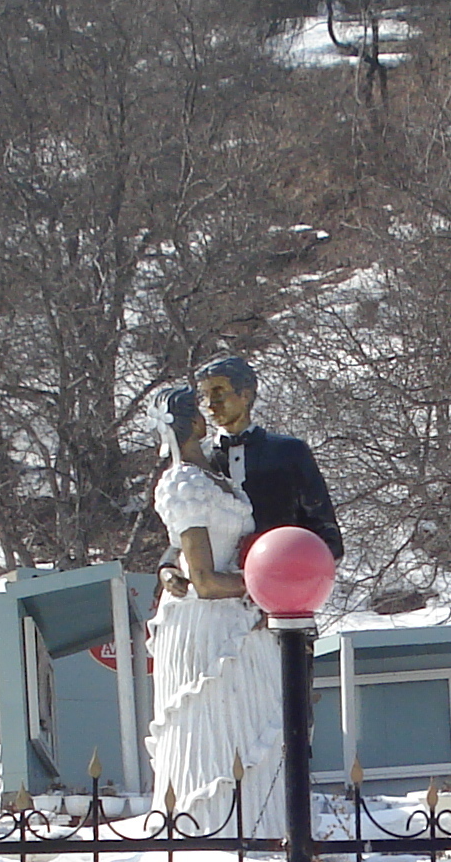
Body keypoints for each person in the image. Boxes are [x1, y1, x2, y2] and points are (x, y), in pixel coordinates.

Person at [145, 381, 284, 836]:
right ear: (197, 424)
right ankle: (212, 832)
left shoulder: (212, 477)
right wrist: (262, 589)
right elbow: (202, 580)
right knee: (214, 732)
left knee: (253, 726)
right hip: (208, 622)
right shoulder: (182, 482)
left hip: (241, 616)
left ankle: (265, 834)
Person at [192, 354, 341, 560]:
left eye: (218, 393)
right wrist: (167, 567)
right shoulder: (199, 459)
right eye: (204, 395)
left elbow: (323, 527)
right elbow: (184, 528)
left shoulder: (289, 452)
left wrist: (308, 565)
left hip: (282, 575)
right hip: (217, 582)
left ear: (245, 395)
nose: (210, 404)